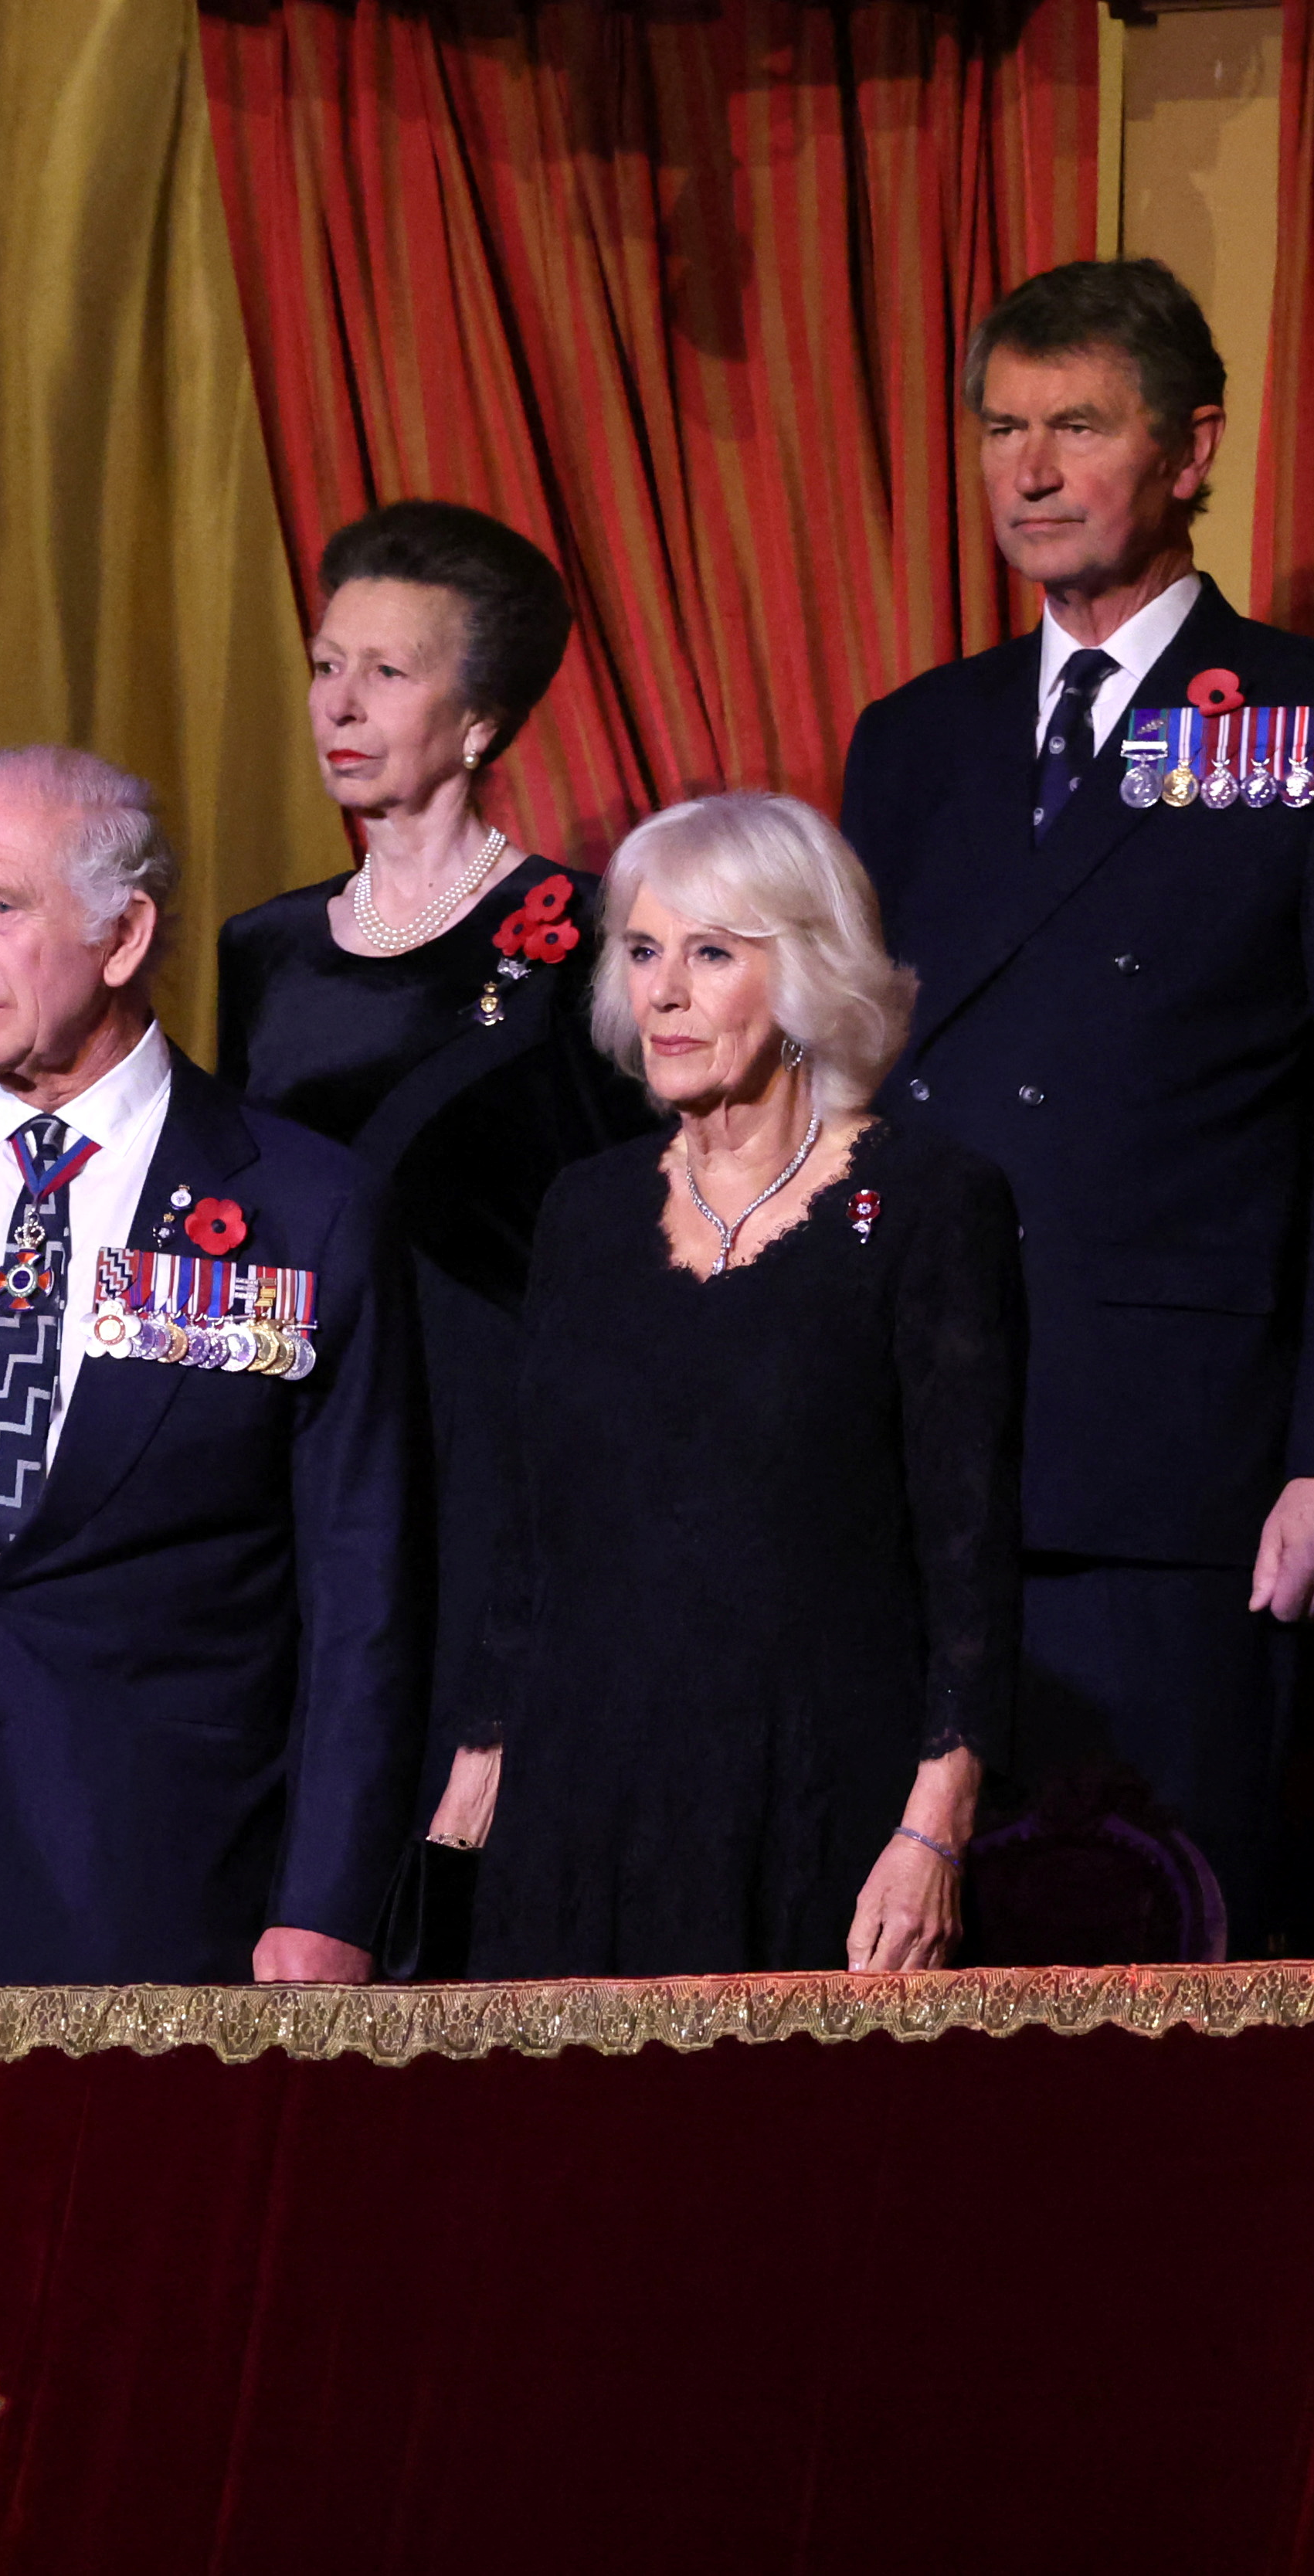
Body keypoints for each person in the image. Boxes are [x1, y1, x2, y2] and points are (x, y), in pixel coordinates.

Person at [840, 258, 1314, 1952]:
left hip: (1176, 1458)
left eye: (1075, 428)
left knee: (1143, 1952)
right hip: (916, 1436)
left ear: (1189, 450)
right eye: (998, 429)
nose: (1025, 472)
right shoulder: (914, 741)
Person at [0, 746, 422, 1988]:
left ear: (124, 938)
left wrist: (329, 1899)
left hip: (158, 1883)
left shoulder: (304, 1208)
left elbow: (363, 1592)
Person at [440, 792, 1023, 1979]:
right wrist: (483, 1745)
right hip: (581, 1794)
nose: (661, 992)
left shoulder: (917, 1206)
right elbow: (532, 1525)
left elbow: (967, 1552)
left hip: (816, 1796)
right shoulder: (585, 1211)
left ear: (806, 974)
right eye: (643, 951)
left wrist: (934, 1823)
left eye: (710, 955)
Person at [218, 501, 653, 1853]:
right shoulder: (265, 948)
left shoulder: (587, 935)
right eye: (325, 663)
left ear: (480, 720)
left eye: (387, 674)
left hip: (501, 1457)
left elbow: (634, 1245)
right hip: (304, 1447)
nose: (339, 705)